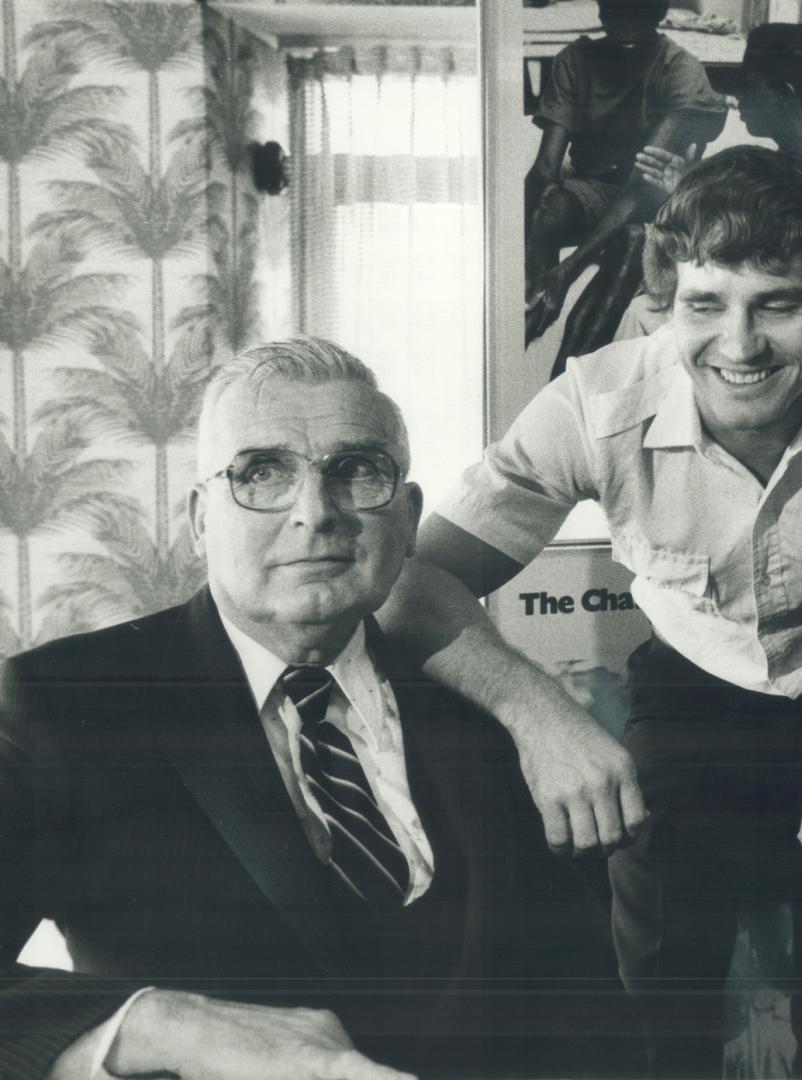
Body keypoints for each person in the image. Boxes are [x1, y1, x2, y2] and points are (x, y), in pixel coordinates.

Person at [381, 146, 802, 1077]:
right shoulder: (594, 399)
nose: (737, 347)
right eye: (705, 306)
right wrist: (541, 717)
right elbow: (412, 583)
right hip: (696, 685)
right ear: (663, 306)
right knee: (660, 1012)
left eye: (777, 304)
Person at [0, 338, 628, 1079]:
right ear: (201, 519)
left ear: (408, 516)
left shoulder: (497, 709)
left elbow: (587, 1014)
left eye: (356, 471)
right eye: (261, 473)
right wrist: (165, 1025)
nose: (316, 513)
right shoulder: (64, 705)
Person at [616, 21, 802, 345]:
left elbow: (775, 263)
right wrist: (692, 190)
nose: (735, 95)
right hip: (760, 303)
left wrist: (695, 200)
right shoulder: (784, 160)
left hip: (797, 322)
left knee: (641, 313)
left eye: (748, 84)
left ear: (785, 95)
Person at [525, 0, 727, 357]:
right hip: (596, 184)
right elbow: (545, 169)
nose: (630, 25)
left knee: (633, 240)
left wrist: (571, 267)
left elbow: (641, 182)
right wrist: (526, 245)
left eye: (641, 12)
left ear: (659, 13)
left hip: (657, 196)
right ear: (602, 13)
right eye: (619, 12)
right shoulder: (576, 58)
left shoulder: (678, 68)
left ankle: (573, 365)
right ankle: (535, 314)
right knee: (548, 209)